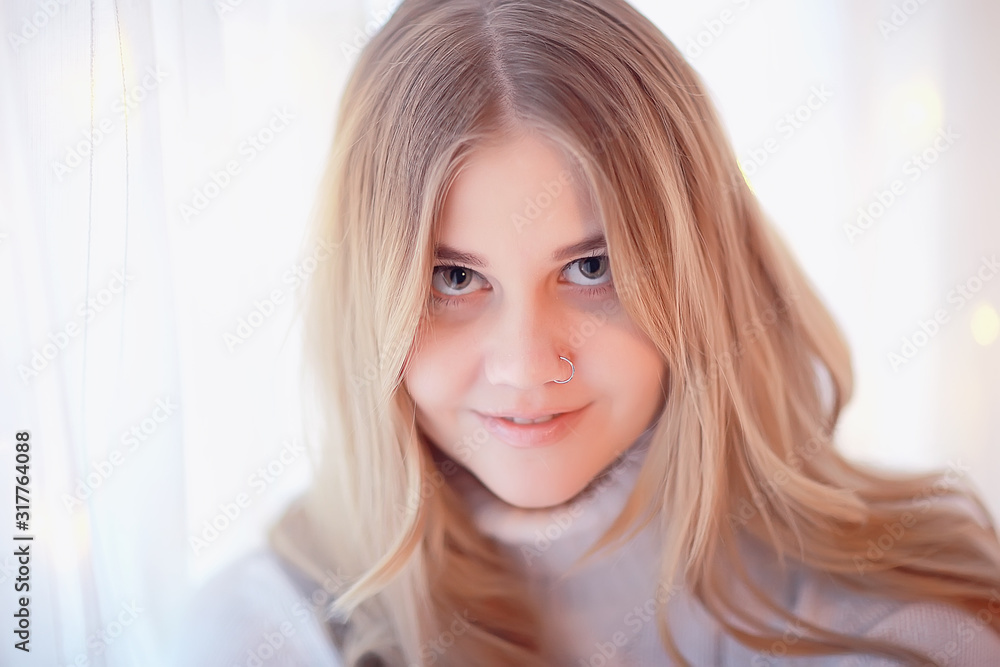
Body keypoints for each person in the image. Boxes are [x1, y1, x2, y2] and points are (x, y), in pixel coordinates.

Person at [172, 0, 1000, 665]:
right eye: (453, 278)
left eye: (593, 268)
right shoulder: (263, 635)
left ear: (701, 273)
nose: (528, 365)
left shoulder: (909, 625)